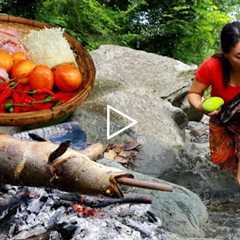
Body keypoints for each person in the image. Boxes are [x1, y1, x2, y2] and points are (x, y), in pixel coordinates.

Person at [188, 21, 240, 184]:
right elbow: (194, 93)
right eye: (239, 56)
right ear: (225, 53)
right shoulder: (212, 66)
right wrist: (200, 106)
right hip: (221, 119)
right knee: (223, 165)